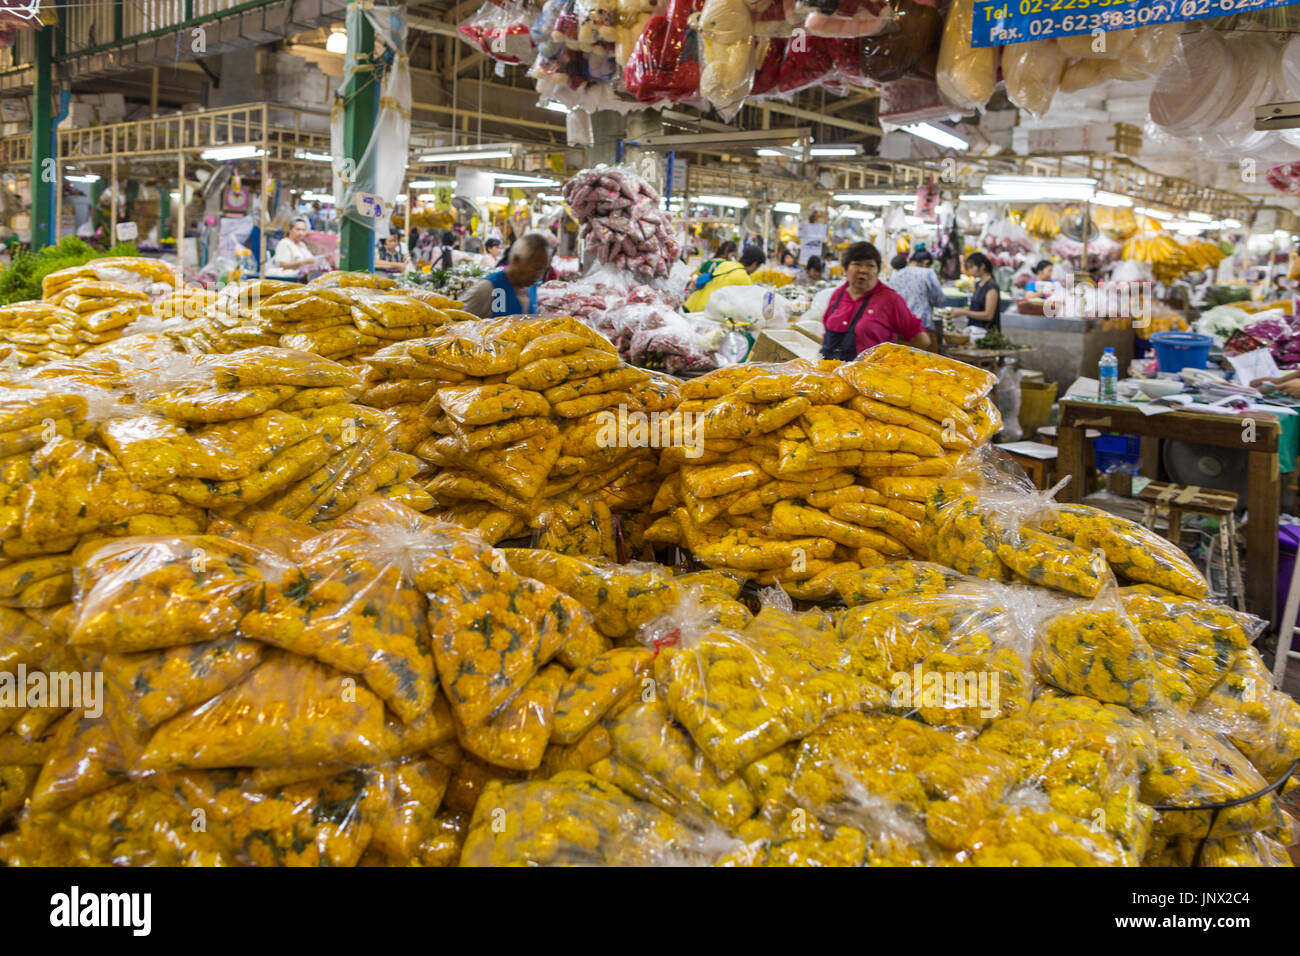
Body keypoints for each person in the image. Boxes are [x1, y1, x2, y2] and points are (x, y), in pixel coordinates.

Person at [819, 241, 930, 360]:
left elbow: (922, 340)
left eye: (870, 265)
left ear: (877, 271)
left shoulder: (890, 299)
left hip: (869, 375)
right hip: (830, 374)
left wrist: (894, 361)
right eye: (857, 264)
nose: (863, 270)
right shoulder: (838, 294)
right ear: (845, 270)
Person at [460, 231, 553, 318]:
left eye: (544, 269)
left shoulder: (531, 287)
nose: (539, 276)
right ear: (517, 261)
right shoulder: (489, 288)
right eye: (536, 267)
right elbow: (455, 323)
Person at [685, 245, 763, 312]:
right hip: (703, 312)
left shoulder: (725, 264)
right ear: (754, 264)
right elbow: (748, 305)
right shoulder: (744, 278)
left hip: (690, 304)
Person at [887, 248, 947, 330]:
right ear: (926, 262)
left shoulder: (895, 276)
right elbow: (940, 300)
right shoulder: (927, 273)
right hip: (921, 325)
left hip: (898, 325)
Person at [950, 251, 1002, 331]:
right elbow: (976, 308)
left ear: (982, 266)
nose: (970, 270)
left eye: (971, 267)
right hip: (974, 331)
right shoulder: (978, 284)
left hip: (986, 334)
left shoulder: (991, 287)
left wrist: (963, 312)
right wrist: (958, 310)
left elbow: (988, 315)